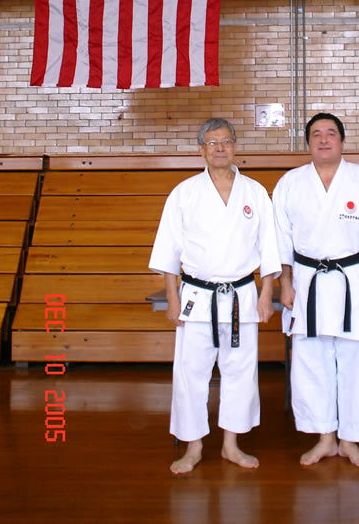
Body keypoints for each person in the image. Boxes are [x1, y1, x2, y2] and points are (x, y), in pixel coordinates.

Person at [149, 118, 281, 474]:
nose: (220, 148)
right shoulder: (184, 193)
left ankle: (231, 445)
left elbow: (269, 247)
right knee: (191, 373)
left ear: (235, 147)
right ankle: (192, 447)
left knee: (240, 372)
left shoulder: (254, 192)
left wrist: (267, 292)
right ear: (201, 150)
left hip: (242, 295)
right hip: (197, 296)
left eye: (226, 141)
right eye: (212, 143)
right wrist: (172, 298)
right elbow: (168, 250)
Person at [273, 112, 359, 467]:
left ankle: (351, 439)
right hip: (306, 280)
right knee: (312, 363)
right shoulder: (290, 183)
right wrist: (285, 284)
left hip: (354, 279)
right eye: (316, 134)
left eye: (331, 133)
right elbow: (280, 239)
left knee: (358, 363)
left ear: (342, 141)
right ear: (308, 142)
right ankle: (325, 437)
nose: (324, 139)